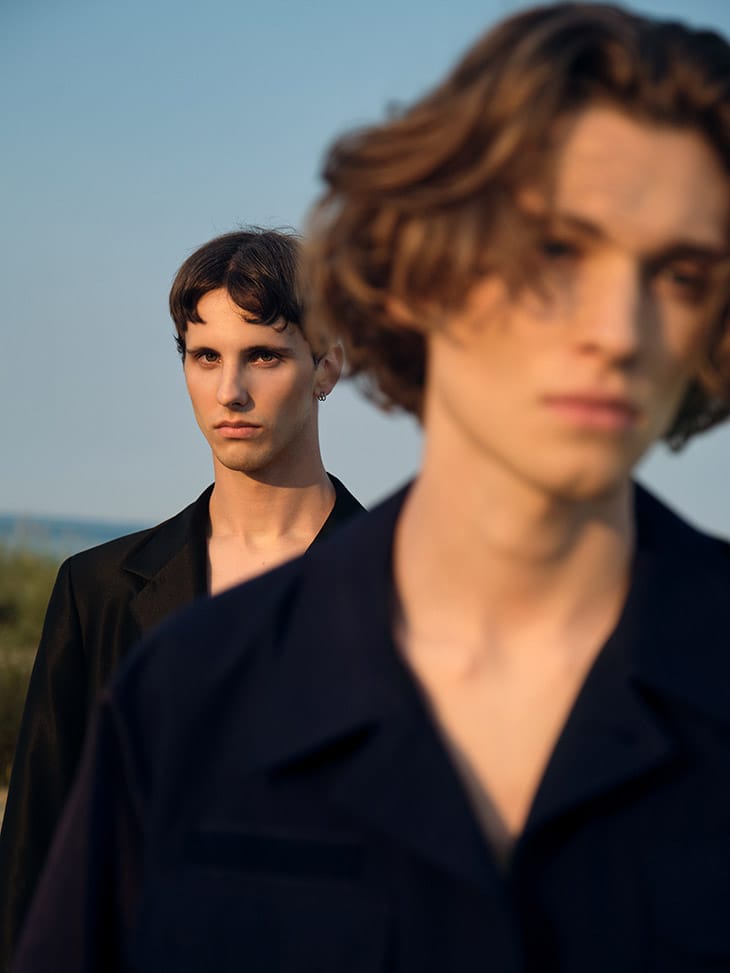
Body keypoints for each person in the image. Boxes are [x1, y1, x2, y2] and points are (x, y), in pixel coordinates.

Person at [13, 4, 730, 970]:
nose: (619, 329)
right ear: (425, 269)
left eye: (683, 273)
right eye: (558, 250)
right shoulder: (183, 692)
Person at [0, 228, 363, 971]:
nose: (230, 391)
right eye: (205, 357)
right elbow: (33, 869)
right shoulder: (98, 592)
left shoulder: (410, 593)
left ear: (327, 365)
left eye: (264, 355)